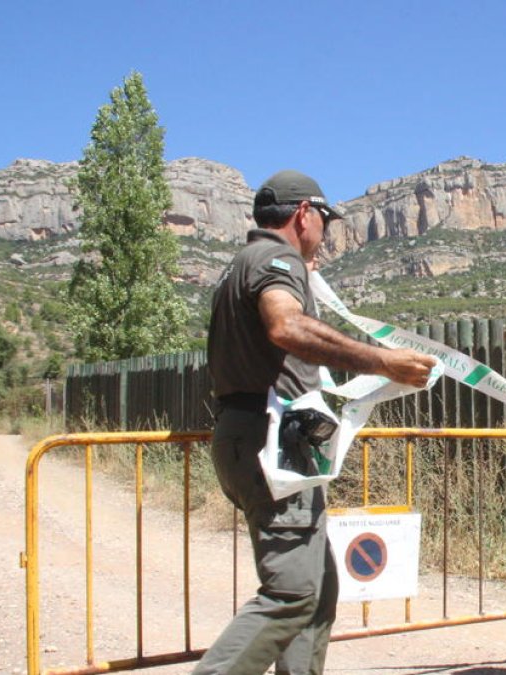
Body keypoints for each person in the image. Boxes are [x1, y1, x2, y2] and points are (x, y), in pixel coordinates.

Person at [196, 170, 436, 675]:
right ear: (304, 213)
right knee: (292, 593)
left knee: (319, 589)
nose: (325, 233)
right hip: (269, 443)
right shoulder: (276, 259)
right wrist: (381, 361)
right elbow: (285, 324)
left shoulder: (243, 263)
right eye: (324, 220)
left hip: (253, 435)